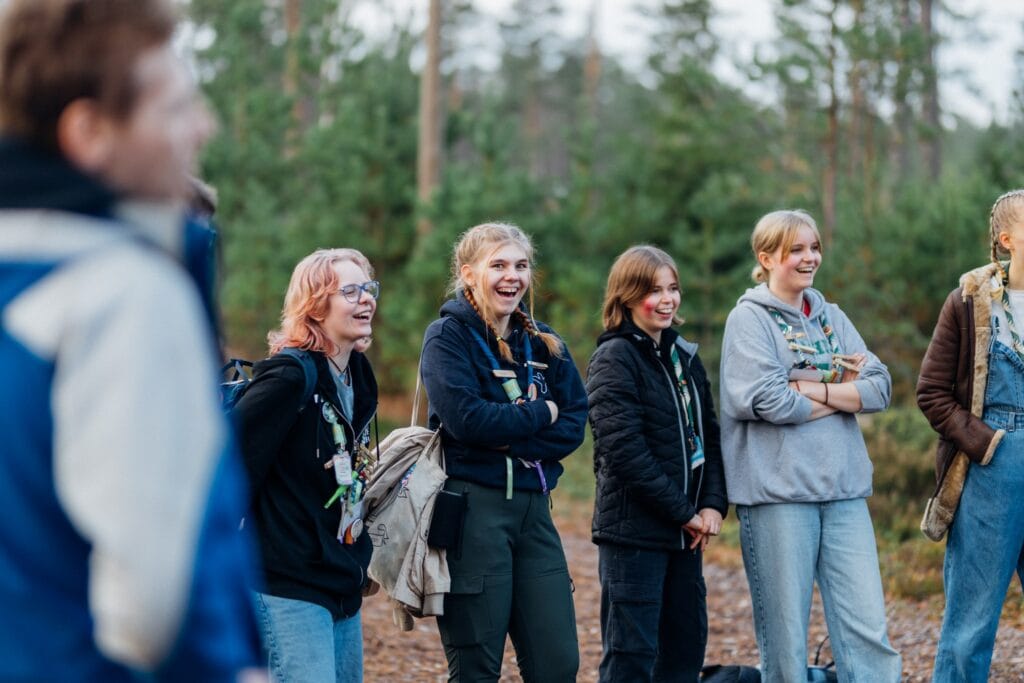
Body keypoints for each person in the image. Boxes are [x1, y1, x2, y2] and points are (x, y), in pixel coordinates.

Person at [0, 0, 264, 680]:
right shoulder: (125, 293)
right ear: (90, 131)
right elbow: (157, 600)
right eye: (174, 108)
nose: (202, 125)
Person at [719, 210, 901, 682]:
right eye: (796, 250)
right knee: (785, 639)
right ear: (767, 257)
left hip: (843, 493)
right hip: (779, 497)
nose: (809, 258)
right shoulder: (748, 320)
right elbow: (768, 399)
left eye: (814, 247)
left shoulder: (831, 317)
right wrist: (843, 393)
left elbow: (880, 389)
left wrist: (810, 390)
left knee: (868, 632)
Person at [420, 222, 587, 682]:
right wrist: (542, 411)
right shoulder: (446, 337)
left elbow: (574, 422)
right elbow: (467, 421)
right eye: (499, 265)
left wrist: (509, 429)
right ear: (469, 273)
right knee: (476, 668)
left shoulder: (544, 342)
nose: (512, 276)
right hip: (475, 511)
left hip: (535, 512)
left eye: (520, 265)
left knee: (557, 664)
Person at [233, 248, 379, 683]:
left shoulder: (358, 374)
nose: (366, 299)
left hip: (341, 579)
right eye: (349, 291)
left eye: (368, 288)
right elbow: (224, 463)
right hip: (286, 582)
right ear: (315, 307)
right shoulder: (288, 377)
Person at [586, 245, 728, 682]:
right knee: (632, 655)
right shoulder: (614, 359)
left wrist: (712, 505)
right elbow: (625, 452)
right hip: (634, 536)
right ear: (627, 297)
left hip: (685, 536)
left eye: (673, 288)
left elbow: (710, 433)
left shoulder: (684, 356)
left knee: (685, 648)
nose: (667, 300)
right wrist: (683, 512)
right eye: (654, 290)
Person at [918, 190, 1024, 681]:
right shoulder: (968, 302)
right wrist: (985, 444)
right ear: (1007, 240)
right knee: (973, 618)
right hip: (991, 467)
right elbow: (933, 392)